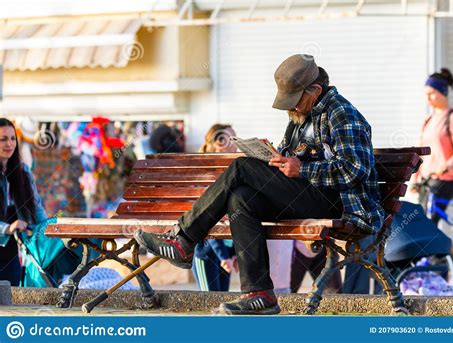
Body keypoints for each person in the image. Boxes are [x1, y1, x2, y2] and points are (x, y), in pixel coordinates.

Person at [135, 54, 384, 315]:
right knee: (241, 198)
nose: (293, 108)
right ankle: (260, 293)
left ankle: (185, 240)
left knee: (242, 167)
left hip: (339, 204)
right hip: (308, 195)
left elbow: (354, 170)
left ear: (316, 90)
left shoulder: (342, 114)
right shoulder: (301, 117)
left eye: (296, 101)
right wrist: (274, 157)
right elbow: (292, 157)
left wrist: (302, 168)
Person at [412, 68, 453, 224]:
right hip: (426, 182)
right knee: (423, 223)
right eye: (426, 94)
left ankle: (439, 248)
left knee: (428, 223)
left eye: (431, 93)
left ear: (442, 91)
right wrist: (415, 180)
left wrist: (446, 166)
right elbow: (419, 154)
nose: (428, 98)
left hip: (444, 181)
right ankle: (438, 248)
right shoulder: (428, 120)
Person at [0, 118, 48, 286]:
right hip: (5, 235)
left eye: (13, 138)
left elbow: (36, 207)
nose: (9, 144)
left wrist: (49, 228)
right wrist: (6, 228)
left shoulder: (23, 170)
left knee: (11, 298)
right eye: (3, 139)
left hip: (12, 251)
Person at [193, 124, 238, 291]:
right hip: (207, 254)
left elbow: (235, 218)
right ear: (214, 144)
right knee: (209, 304)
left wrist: (233, 253)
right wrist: (223, 256)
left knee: (221, 304)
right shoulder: (207, 176)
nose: (233, 143)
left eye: (235, 138)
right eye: (227, 139)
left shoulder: (233, 173)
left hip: (225, 252)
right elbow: (209, 222)